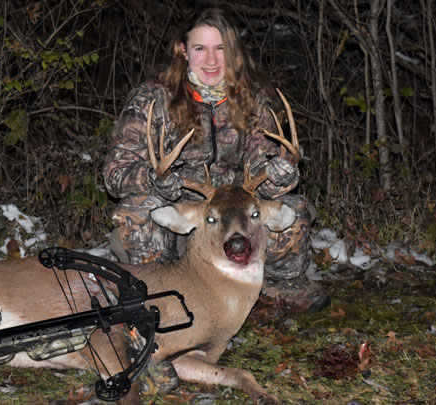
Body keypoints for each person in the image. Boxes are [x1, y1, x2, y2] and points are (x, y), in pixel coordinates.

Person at [103, 6, 329, 312]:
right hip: (185, 222)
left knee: (293, 208)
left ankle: (278, 285)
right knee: (140, 209)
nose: (211, 60)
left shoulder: (254, 99)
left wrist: (279, 177)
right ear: (182, 50)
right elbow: (115, 174)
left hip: (235, 221)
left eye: (220, 49)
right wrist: (153, 180)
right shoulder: (151, 100)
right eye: (200, 48)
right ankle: (157, 290)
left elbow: (264, 168)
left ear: (233, 52)